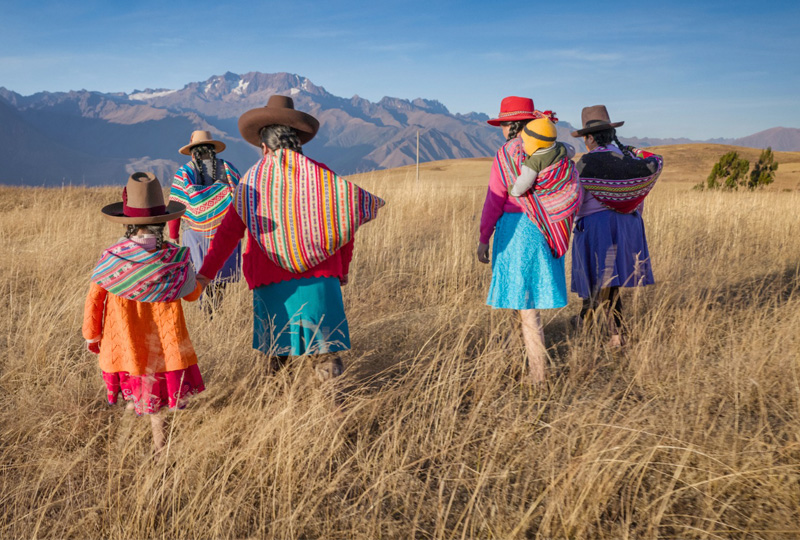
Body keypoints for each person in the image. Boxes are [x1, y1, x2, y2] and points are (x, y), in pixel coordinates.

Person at [197, 95, 384, 381]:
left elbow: (227, 235)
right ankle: (333, 404)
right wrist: (342, 269)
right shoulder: (323, 175)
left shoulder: (250, 182)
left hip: (270, 283)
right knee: (326, 356)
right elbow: (345, 225)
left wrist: (205, 275)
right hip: (321, 280)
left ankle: (277, 406)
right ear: (297, 142)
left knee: (275, 360)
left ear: (264, 146)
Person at [83, 172, 205, 455]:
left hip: (125, 345)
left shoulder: (112, 258)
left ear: (128, 223)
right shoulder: (176, 258)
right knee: (157, 405)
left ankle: (123, 448)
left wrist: (92, 336)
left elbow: (94, 300)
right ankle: (161, 452)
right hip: (164, 348)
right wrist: (201, 279)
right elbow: (192, 294)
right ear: (162, 221)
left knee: (133, 393)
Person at [478, 96, 581, 384]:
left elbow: (495, 199)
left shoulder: (506, 153)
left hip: (517, 232)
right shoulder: (556, 151)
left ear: (513, 125)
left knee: (526, 307)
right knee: (523, 301)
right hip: (546, 228)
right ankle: (515, 355)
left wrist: (484, 237)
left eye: (503, 124)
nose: (501, 130)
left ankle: (538, 375)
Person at [569, 105, 663, 346]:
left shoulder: (586, 163)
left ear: (590, 138)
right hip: (627, 225)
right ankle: (591, 323)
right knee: (609, 280)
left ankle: (613, 334)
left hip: (597, 227)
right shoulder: (630, 160)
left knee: (602, 280)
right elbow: (638, 195)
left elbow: (576, 200)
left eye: (585, 139)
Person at [168, 130, 241, 312]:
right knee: (220, 277)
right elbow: (241, 197)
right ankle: (216, 310)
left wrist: (173, 234)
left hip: (195, 234)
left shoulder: (184, 172)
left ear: (192, 153)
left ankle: (206, 314)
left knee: (199, 276)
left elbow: (175, 205)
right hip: (225, 232)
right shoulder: (228, 168)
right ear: (213, 150)